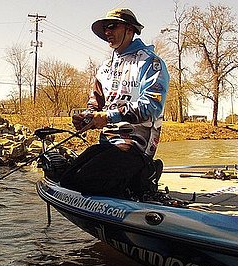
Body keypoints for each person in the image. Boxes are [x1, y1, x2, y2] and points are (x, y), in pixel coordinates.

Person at [59, 7, 170, 199]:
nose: (107, 32)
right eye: (104, 29)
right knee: (68, 179)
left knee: (87, 181)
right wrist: (86, 118)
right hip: (108, 142)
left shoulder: (151, 63)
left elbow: (151, 106)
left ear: (130, 29)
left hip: (135, 145)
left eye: (111, 26)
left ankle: (147, 171)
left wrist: (108, 116)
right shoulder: (104, 68)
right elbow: (95, 104)